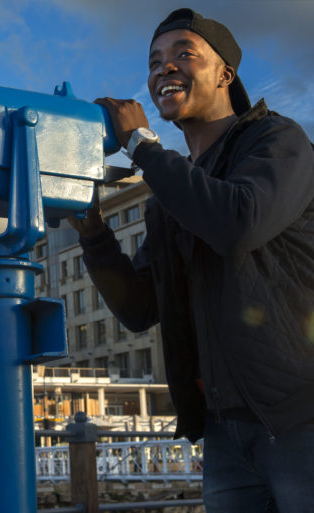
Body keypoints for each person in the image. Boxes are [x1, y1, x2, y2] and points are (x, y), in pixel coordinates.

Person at [68, 8, 314, 512]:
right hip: (224, 433)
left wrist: (140, 143)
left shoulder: (277, 141)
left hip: (301, 420)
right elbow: (139, 307)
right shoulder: (172, 197)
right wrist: (91, 227)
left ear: (225, 74)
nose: (165, 68)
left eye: (185, 53)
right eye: (155, 61)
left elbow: (238, 222)